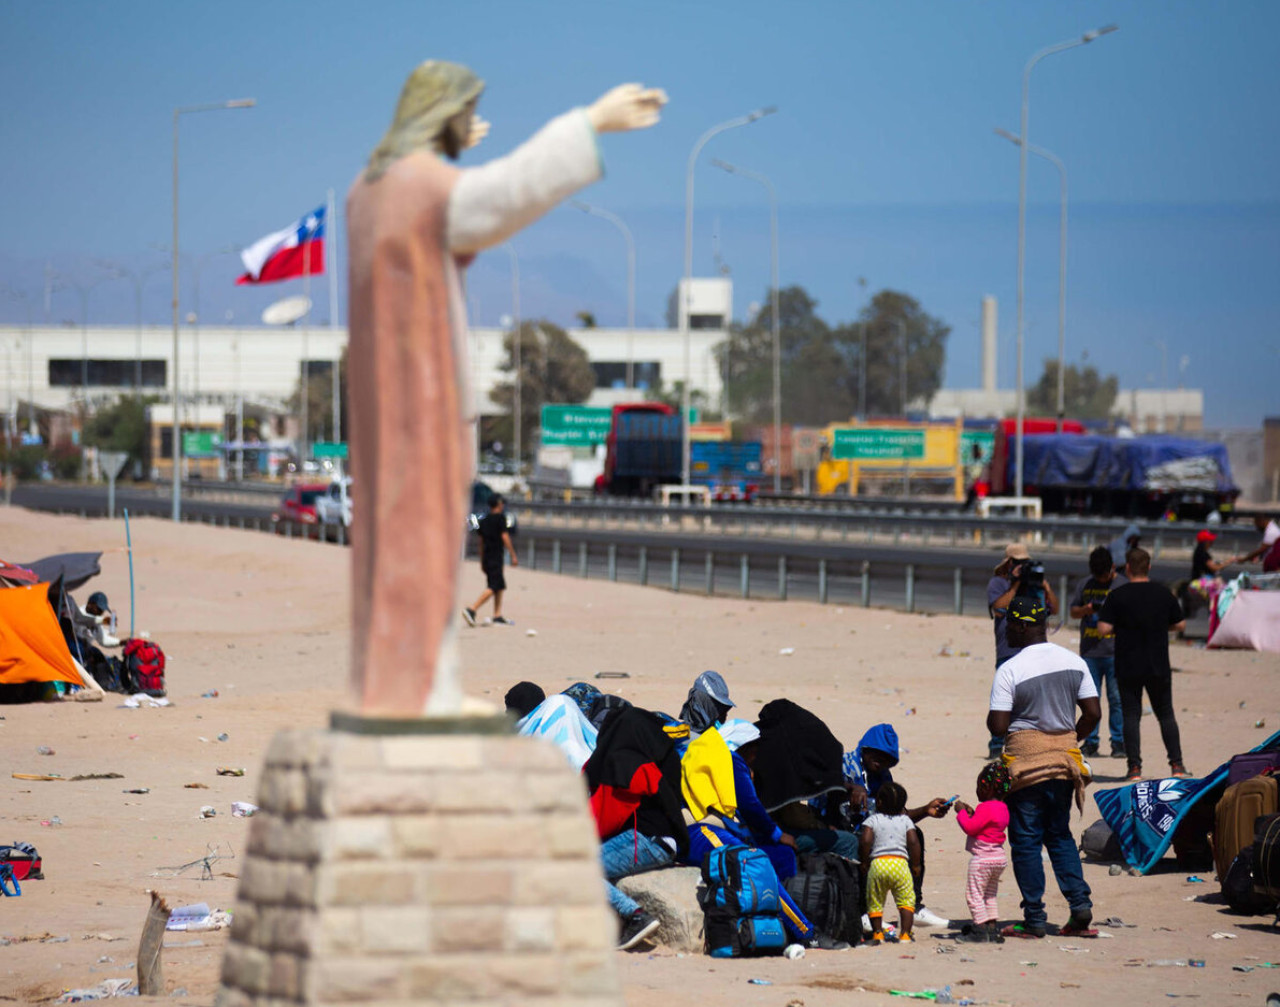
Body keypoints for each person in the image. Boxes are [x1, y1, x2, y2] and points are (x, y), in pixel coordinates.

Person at [988, 596, 1100, 940]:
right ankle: (1079, 907)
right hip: (1064, 766)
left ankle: (1034, 919)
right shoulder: (1074, 661)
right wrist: (1068, 741)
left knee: (1025, 841)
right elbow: (1093, 714)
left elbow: (998, 726)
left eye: (1010, 623)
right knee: (1059, 835)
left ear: (1023, 625)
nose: (1006, 629)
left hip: (1026, 770)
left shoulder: (1010, 669)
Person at [680, 723, 848, 950]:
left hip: (708, 830)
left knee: (778, 856)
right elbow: (750, 806)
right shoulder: (731, 760)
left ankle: (780, 922)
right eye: (754, 753)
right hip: (702, 831)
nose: (755, 759)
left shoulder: (712, 753)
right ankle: (806, 932)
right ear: (746, 748)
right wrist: (777, 834)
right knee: (755, 865)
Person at [814, 724, 951, 928]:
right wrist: (851, 787)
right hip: (835, 828)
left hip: (869, 827)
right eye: (877, 755)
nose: (881, 761)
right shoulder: (844, 764)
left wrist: (925, 810)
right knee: (859, 842)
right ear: (865, 749)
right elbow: (820, 784)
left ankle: (914, 906)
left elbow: (896, 815)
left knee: (914, 834)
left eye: (887, 758)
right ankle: (862, 913)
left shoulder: (883, 776)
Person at [585, 707, 687, 950]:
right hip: (671, 841)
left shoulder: (626, 765)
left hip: (649, 841)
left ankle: (635, 916)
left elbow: (604, 820)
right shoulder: (665, 755)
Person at [1096, 548, 1189, 782]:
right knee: (1166, 714)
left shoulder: (1118, 595)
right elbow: (1180, 625)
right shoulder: (1163, 593)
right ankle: (1177, 765)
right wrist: (1158, 626)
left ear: (1127, 568)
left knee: (1131, 715)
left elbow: (1103, 629)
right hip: (1158, 664)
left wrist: (1123, 627)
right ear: (1149, 567)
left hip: (1127, 664)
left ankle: (1134, 768)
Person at [988, 544, 1060, 757]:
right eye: (1018, 563)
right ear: (1009, 564)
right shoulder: (998, 583)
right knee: (1003, 700)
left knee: (1036, 700)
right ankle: (996, 745)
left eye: (1024, 563)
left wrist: (1044, 586)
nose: (1022, 566)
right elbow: (998, 607)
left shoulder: (1034, 585)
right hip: (1007, 650)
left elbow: (1054, 609)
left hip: (1036, 651)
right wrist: (1016, 584)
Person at [1067, 547, 1126, 759]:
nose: (1102, 580)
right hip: (1090, 652)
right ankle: (1091, 742)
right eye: (1098, 576)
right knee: (1090, 700)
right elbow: (1073, 611)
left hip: (1115, 652)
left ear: (1112, 568)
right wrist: (1086, 610)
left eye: (1105, 576)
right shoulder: (1085, 584)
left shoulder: (1122, 585)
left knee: (1116, 699)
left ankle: (1118, 742)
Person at [954, 762, 1013, 944]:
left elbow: (970, 828)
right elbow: (986, 825)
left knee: (975, 895)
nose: (977, 791)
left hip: (982, 859)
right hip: (998, 858)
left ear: (987, 788)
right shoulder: (1003, 807)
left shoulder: (985, 807)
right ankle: (992, 928)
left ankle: (979, 929)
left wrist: (961, 812)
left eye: (979, 787)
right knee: (989, 895)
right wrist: (973, 812)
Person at [858, 782, 922, 944]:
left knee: (875, 901)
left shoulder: (873, 820)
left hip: (878, 864)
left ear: (878, 802)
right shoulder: (905, 821)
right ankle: (905, 934)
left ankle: (878, 933)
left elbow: (865, 841)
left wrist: (864, 862)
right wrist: (916, 864)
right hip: (900, 865)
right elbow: (914, 842)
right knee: (906, 900)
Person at [463, 494, 517, 627]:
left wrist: (481, 560)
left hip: (487, 557)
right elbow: (505, 536)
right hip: (496, 556)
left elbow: (480, 542)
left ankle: (497, 615)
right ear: (498, 504)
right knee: (494, 586)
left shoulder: (485, 520)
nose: (503, 505)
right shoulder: (500, 518)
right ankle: (472, 609)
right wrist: (513, 554)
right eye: (502, 503)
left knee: (499, 585)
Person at [677, 670, 735, 737]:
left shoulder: (724, 735)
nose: (724, 714)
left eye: (723, 708)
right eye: (717, 706)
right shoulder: (676, 734)